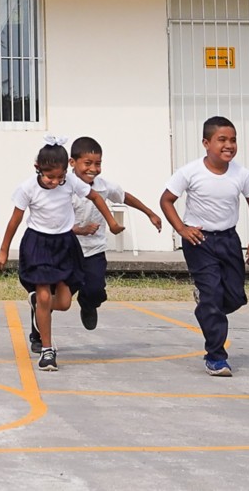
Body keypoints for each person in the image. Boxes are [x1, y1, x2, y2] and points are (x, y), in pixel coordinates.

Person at [0, 135, 124, 372]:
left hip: (65, 245)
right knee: (45, 296)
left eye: (60, 176)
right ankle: (47, 350)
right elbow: (15, 221)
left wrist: (112, 222)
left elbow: (95, 196)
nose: (55, 182)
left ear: (67, 170)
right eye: (49, 176)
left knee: (63, 303)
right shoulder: (27, 188)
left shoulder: (71, 183)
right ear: (38, 168)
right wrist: (3, 249)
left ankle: (38, 305)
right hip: (38, 244)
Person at [160, 116, 249, 377]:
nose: (229, 145)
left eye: (233, 140)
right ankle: (216, 357)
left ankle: (206, 303)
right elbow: (167, 200)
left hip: (229, 240)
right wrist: (181, 228)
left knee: (235, 297)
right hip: (199, 241)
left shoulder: (242, 174)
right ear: (206, 143)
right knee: (213, 297)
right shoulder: (191, 171)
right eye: (222, 140)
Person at [65, 136, 162, 344]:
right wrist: (79, 230)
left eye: (98, 163)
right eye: (87, 163)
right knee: (53, 296)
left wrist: (149, 213)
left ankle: (88, 304)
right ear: (72, 163)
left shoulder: (103, 186)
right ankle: (38, 332)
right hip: (67, 250)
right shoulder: (64, 187)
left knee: (95, 290)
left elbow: (125, 196)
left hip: (94, 250)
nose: (93, 168)